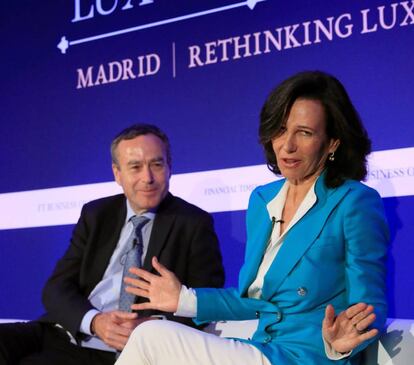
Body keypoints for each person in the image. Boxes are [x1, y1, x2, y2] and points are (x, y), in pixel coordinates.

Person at [115, 71, 389, 365]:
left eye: (305, 133)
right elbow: (256, 301)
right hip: (263, 347)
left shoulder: (354, 201)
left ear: (332, 143)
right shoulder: (262, 200)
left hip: (309, 356)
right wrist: (183, 299)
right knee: (148, 335)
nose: (287, 145)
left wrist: (342, 342)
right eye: (281, 130)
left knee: (149, 335)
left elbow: (369, 303)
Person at [0, 124, 225, 364]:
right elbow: (56, 288)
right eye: (135, 167)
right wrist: (95, 321)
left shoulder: (193, 222)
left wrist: (155, 327)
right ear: (117, 174)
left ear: (170, 168)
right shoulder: (97, 213)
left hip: (125, 349)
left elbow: (205, 300)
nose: (147, 178)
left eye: (157, 165)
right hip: (71, 329)